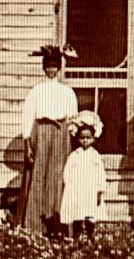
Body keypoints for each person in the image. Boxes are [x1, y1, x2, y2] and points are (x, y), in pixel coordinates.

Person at [19, 44, 78, 235]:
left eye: (55, 66)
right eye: (48, 66)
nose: (51, 69)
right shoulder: (36, 91)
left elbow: (73, 119)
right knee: (39, 175)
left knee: (58, 176)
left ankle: (57, 224)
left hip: (61, 135)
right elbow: (27, 118)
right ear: (44, 68)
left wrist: (72, 143)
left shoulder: (67, 91)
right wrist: (28, 145)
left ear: (59, 68)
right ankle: (36, 224)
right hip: (41, 133)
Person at [60, 110, 106, 240]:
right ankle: (77, 237)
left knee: (90, 214)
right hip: (77, 190)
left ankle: (91, 235)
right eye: (82, 138)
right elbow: (67, 172)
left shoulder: (95, 155)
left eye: (88, 138)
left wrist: (99, 190)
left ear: (93, 138)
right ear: (78, 138)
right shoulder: (75, 155)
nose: (85, 141)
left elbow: (101, 174)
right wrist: (70, 187)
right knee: (77, 214)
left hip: (91, 190)